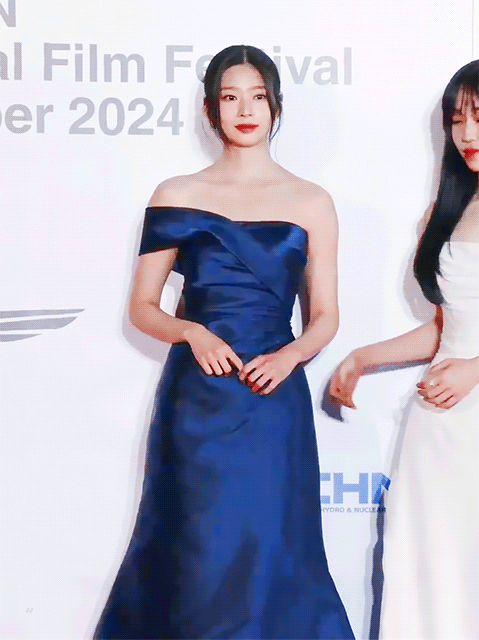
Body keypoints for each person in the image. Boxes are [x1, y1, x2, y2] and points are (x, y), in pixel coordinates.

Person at [93, 45, 354, 640]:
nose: (245, 110)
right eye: (230, 97)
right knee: (194, 546)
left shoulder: (312, 201)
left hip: (273, 399)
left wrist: (291, 354)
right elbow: (142, 307)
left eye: (257, 97)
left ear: (275, 106)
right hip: (197, 402)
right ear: (211, 110)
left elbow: (326, 316)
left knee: (273, 542)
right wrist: (190, 331)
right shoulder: (175, 193)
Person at [330, 60, 479, 640]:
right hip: (439, 428)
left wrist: (476, 369)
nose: (466, 134)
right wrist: (362, 358)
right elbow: (447, 329)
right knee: (430, 564)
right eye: (456, 120)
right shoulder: (444, 215)